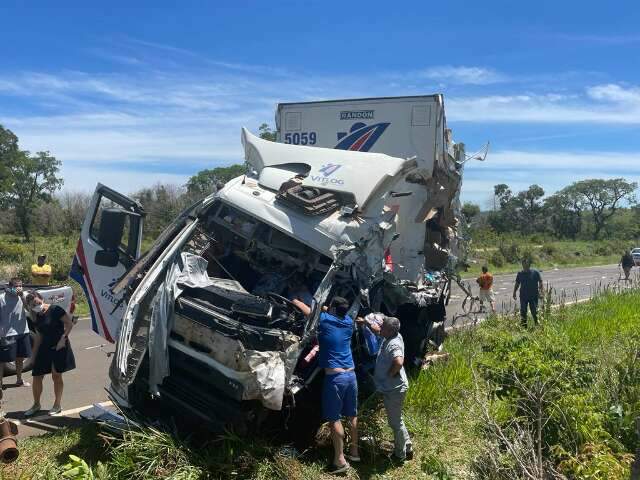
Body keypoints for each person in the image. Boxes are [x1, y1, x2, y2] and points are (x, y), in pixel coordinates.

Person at [292, 296, 359, 475]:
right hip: (351, 376)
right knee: (351, 414)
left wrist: (295, 300)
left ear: (333, 310)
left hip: (335, 378)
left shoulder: (325, 320)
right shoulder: (348, 323)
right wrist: (328, 310)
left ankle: (339, 460)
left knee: (333, 418)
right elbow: (328, 311)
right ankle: (354, 452)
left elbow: (308, 311)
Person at [360, 315, 413, 462]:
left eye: (383, 328)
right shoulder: (392, 335)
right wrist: (365, 323)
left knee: (395, 423)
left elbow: (399, 362)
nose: (380, 329)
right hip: (393, 387)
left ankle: (400, 455)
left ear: (389, 331)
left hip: (394, 389)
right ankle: (407, 446)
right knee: (398, 420)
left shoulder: (393, 344)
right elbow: (377, 330)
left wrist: (389, 375)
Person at [23, 291, 75, 416]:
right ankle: (36, 404)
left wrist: (63, 338)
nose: (37, 306)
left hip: (59, 346)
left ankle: (57, 405)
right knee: (37, 376)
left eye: (38, 303)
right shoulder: (35, 316)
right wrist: (33, 356)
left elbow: (69, 324)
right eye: (33, 305)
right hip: (44, 348)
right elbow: (39, 336)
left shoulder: (55, 309)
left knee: (56, 375)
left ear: (41, 299)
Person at [0, 278, 32, 392]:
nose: (19, 288)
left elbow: (29, 308)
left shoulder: (24, 296)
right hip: (7, 334)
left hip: (23, 331)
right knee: (3, 360)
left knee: (20, 357)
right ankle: (0, 384)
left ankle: (19, 380)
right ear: (9, 286)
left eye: (20, 285)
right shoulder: (2, 298)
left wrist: (22, 296)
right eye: (16, 286)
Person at [513, 259, 543, 327]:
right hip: (523, 296)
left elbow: (540, 281)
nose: (525, 266)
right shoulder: (520, 274)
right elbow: (517, 283)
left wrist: (541, 292)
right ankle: (524, 326)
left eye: (526, 265)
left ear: (529, 265)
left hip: (533, 296)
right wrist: (514, 292)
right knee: (523, 311)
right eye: (523, 265)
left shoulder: (535, 272)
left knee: (534, 311)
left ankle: (537, 324)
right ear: (522, 265)